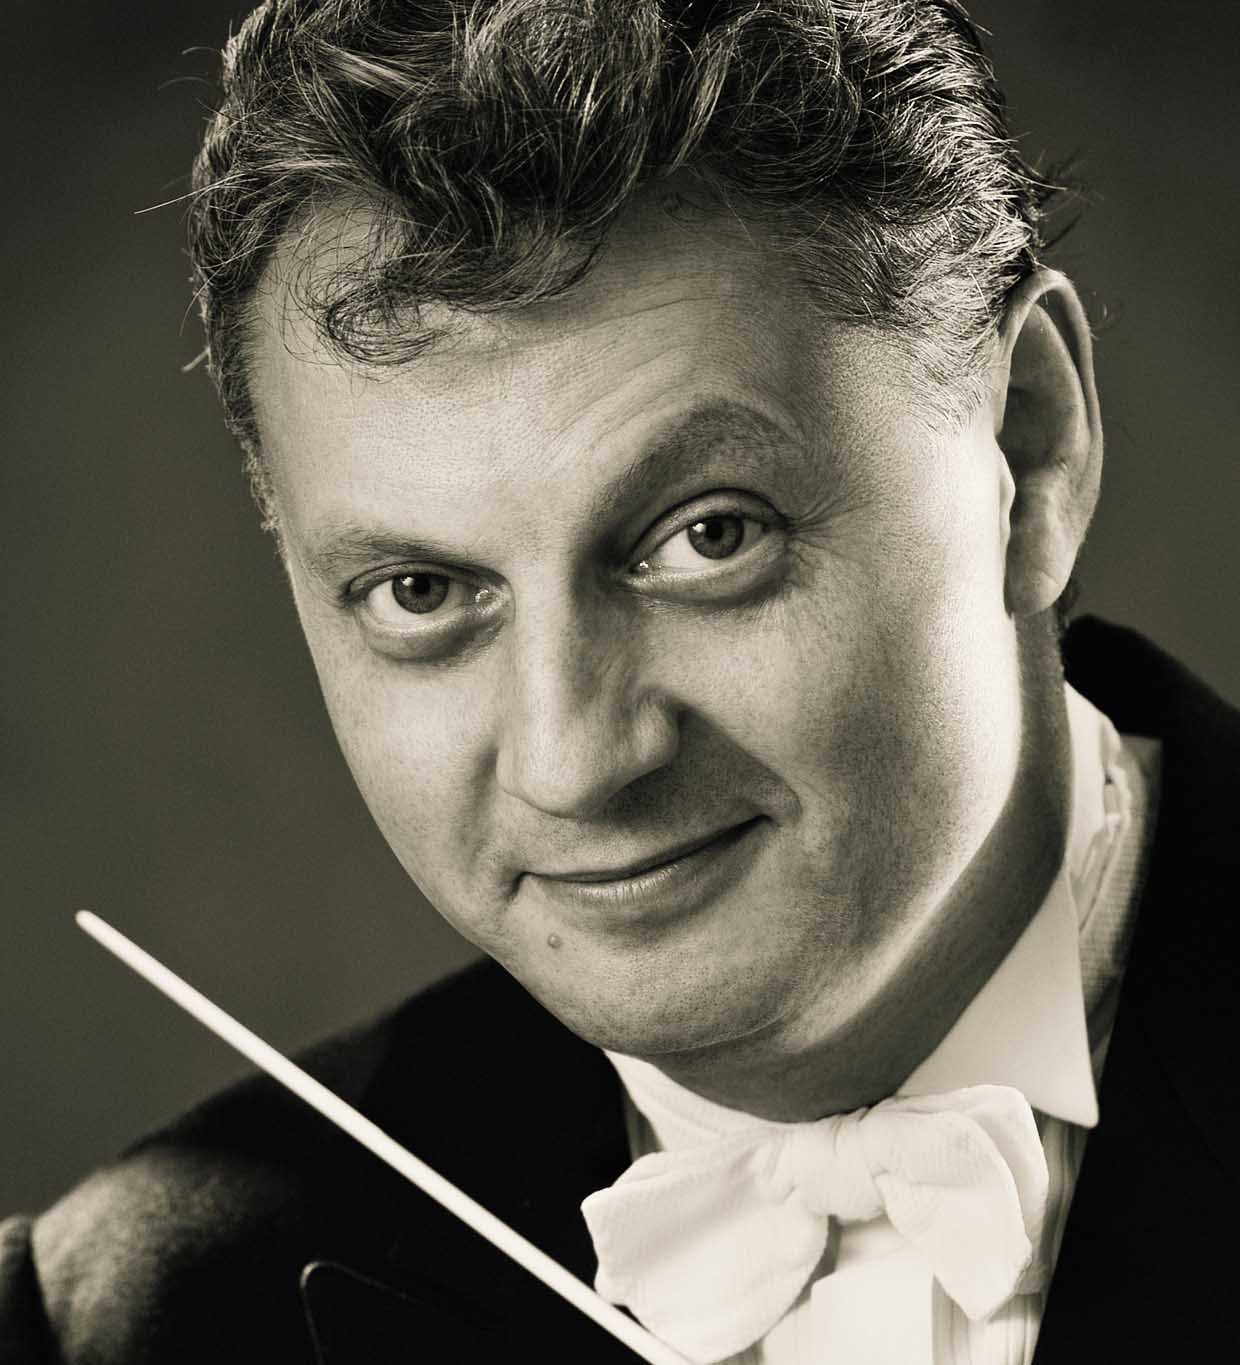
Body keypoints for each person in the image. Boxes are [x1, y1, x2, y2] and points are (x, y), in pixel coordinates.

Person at [2, 1, 1236, 1361]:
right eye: (423, 593)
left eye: (709, 536)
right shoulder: (108, 1324)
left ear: (1030, 450)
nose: (575, 763)